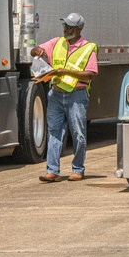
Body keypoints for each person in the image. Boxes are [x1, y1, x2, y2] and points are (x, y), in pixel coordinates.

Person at [30, 12, 98, 182]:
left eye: (70, 26)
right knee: (54, 132)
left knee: (78, 134)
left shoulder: (88, 48)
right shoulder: (56, 42)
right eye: (65, 25)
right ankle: (52, 171)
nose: (66, 29)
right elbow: (34, 50)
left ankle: (78, 169)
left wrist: (64, 71)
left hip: (77, 96)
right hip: (56, 94)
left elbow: (91, 74)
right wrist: (37, 50)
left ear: (79, 29)